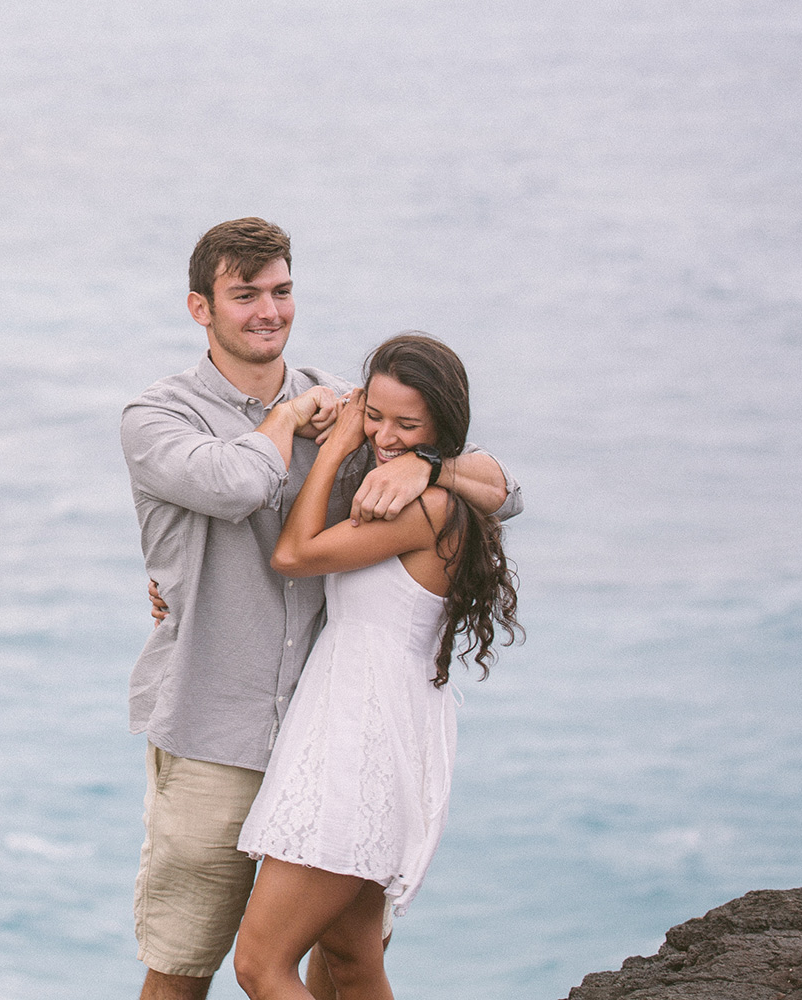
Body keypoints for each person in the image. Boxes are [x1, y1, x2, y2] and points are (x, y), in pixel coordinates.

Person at [120, 218, 522, 1000]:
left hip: (330, 731)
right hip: (214, 734)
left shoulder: (355, 411)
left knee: (345, 959)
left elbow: (507, 495)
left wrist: (429, 464)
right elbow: (238, 486)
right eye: (245, 296)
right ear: (201, 308)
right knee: (181, 970)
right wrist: (288, 424)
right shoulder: (159, 417)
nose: (269, 311)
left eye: (282, 291)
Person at [232, 333, 522, 1000]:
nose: (386, 436)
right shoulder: (432, 486)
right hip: (376, 730)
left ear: (443, 425)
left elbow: (295, 554)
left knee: (260, 966)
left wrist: (337, 449)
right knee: (351, 960)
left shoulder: (430, 503)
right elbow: (498, 484)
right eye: (377, 415)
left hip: (358, 748)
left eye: (407, 424)